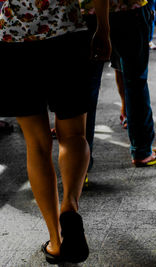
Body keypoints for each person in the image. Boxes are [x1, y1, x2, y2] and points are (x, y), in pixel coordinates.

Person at [0, 0, 111, 263]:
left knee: (36, 144)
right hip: (66, 34)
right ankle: (69, 206)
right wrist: (104, 30)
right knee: (73, 135)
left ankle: (56, 239)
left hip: (14, 39)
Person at [81, 0, 156, 170]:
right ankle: (142, 152)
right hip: (130, 9)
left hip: (87, 13)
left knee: (86, 89)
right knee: (136, 81)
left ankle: (80, 166)